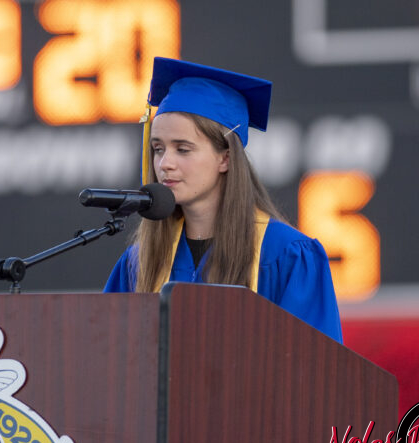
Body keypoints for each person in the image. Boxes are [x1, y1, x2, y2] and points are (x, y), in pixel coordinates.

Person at [104, 57, 342, 342]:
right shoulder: (140, 262)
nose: (165, 163)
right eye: (158, 149)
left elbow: (314, 363)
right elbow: (108, 355)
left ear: (225, 158)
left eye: (183, 149)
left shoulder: (285, 255)